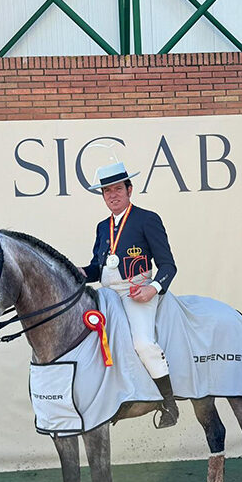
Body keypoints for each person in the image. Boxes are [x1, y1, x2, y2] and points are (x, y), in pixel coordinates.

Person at [79, 161, 179, 429]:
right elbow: (96, 268)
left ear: (129, 189)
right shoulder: (102, 227)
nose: (112, 195)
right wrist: (74, 271)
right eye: (106, 191)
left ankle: (169, 404)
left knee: (143, 343)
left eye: (117, 189)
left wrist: (153, 288)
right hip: (108, 295)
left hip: (137, 293)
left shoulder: (147, 219)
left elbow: (168, 265)